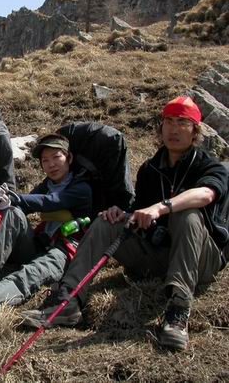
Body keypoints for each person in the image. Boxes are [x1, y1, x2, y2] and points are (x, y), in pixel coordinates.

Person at [22, 96, 229, 351]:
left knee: (187, 214)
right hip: (160, 254)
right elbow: (140, 214)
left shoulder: (209, 166)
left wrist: (160, 207)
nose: (174, 129)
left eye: (182, 123)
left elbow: (206, 194)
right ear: (161, 127)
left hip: (201, 260)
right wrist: (123, 214)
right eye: (169, 122)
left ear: (195, 131)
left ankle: (178, 310)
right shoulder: (150, 170)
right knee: (105, 221)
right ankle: (68, 301)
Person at [0, 133, 92, 325]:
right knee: (13, 212)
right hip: (40, 244)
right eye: (45, 160)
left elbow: (51, 201)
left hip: (65, 250)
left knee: (32, 272)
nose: (51, 164)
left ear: (69, 158)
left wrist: (15, 198)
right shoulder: (46, 185)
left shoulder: (82, 188)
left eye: (56, 157)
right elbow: (22, 207)